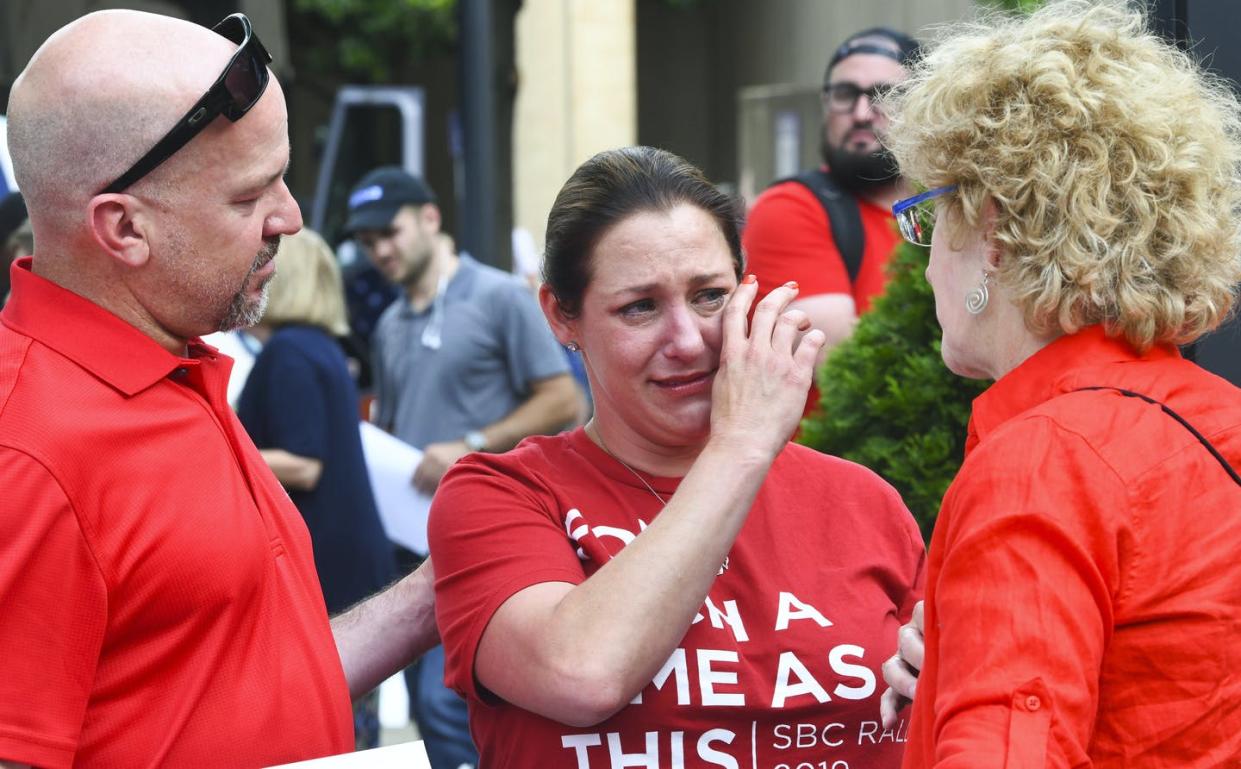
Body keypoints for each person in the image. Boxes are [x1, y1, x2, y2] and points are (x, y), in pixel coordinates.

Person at [0, 11, 437, 768]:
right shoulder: (27, 452)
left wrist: (453, 575)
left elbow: (243, 685)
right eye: (249, 196)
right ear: (124, 229)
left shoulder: (175, 364)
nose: (292, 217)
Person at [428, 146, 926, 768]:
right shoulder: (502, 494)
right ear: (561, 315)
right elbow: (582, 674)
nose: (687, 341)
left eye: (710, 296)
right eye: (640, 307)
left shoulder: (861, 501)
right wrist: (742, 445)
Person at [878, 1, 1241, 764]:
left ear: (992, 234)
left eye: (926, 218)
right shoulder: (1218, 419)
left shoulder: (1042, 464)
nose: (926, 261)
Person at [349, 167, 580, 768]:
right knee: (435, 706)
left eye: (388, 233)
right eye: (368, 242)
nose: (380, 251)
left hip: (502, 531)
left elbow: (563, 399)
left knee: (448, 701)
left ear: (430, 218)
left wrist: (473, 442)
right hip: (417, 535)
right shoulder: (394, 321)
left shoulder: (500, 295)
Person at [237, 227, 399, 749]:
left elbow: (304, 464)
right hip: (354, 560)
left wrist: (216, 451)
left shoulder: (288, 352)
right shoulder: (321, 348)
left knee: (333, 727)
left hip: (325, 566)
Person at [743, 27, 919, 414]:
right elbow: (845, 368)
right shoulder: (790, 208)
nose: (860, 113)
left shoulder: (947, 210)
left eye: (883, 96)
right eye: (844, 95)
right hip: (833, 456)